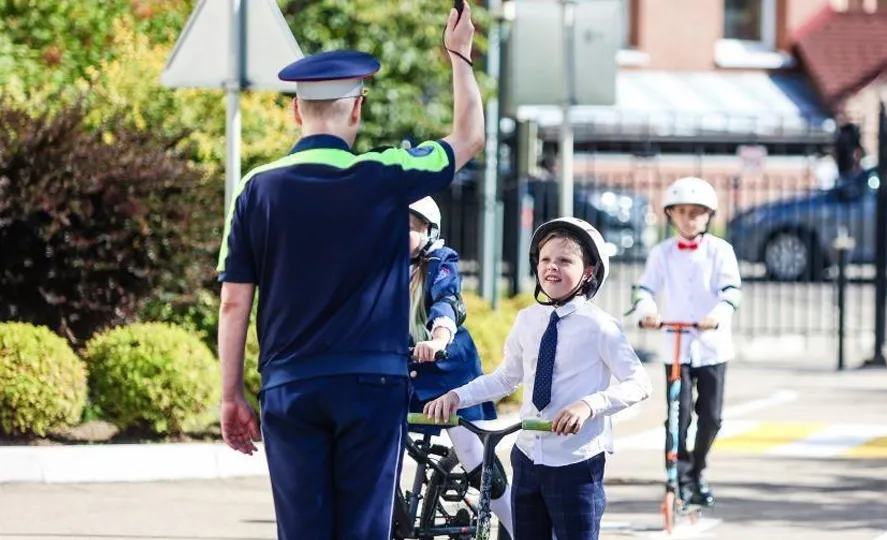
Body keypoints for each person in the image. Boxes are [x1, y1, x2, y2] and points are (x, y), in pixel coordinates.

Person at [214, 3, 485, 539]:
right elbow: (469, 137)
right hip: (372, 383)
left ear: (297, 112)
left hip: (292, 382)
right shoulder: (386, 174)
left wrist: (231, 396)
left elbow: (233, 302)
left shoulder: (256, 188)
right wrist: (459, 58)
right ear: (356, 111)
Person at [423, 217, 653, 540]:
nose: (551, 267)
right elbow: (505, 378)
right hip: (528, 458)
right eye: (545, 259)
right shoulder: (528, 320)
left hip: (577, 462)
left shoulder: (601, 326)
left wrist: (589, 405)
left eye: (564, 260)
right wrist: (457, 397)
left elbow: (640, 383)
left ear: (588, 271)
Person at [631, 176, 743, 508]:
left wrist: (718, 314)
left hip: (712, 346)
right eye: (681, 211)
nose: (688, 218)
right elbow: (645, 290)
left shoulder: (721, 251)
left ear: (709, 215)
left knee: (711, 417)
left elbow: (732, 292)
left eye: (696, 212)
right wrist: (647, 311)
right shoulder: (661, 253)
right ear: (670, 215)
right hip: (676, 344)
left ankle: (697, 471)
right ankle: (677, 477)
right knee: (678, 415)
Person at [405, 195, 513, 534]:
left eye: (407, 227)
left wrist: (438, 339)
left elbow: (447, 302)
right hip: (397, 372)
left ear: (429, 231)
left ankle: (516, 526)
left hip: (446, 369)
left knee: (471, 453)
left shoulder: (441, 262)